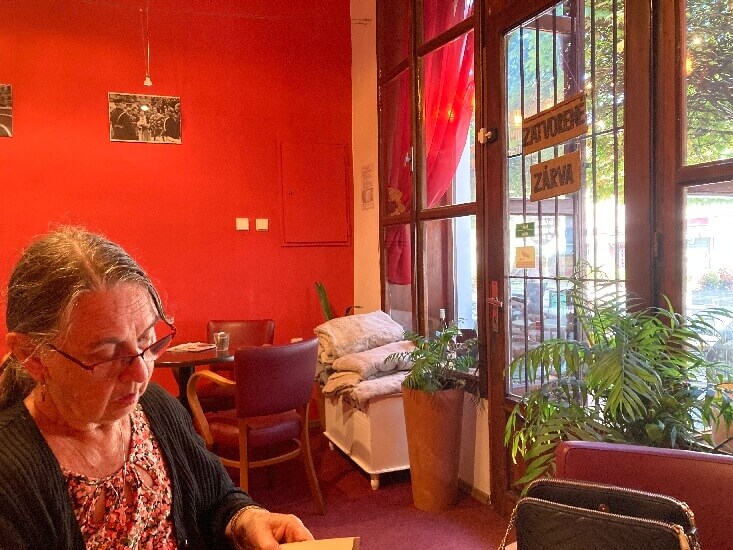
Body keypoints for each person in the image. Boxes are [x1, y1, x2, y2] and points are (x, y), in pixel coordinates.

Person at [0, 227, 314, 549]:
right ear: (32, 356)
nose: (141, 373)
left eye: (147, 340)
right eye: (107, 355)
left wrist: (247, 520)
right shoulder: (10, 477)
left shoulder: (155, 407)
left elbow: (218, 498)